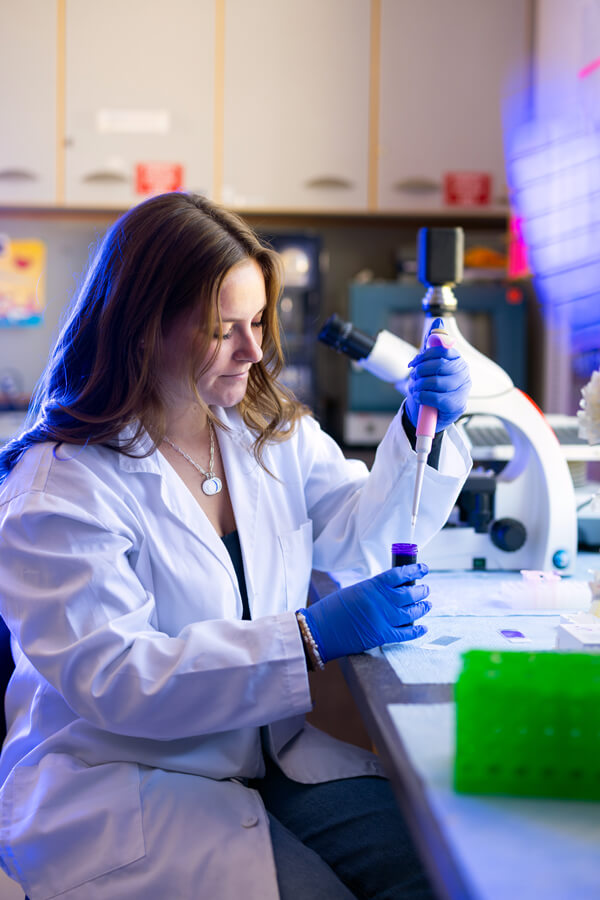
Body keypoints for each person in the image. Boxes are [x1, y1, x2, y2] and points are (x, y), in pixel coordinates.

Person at [0, 192, 471, 900]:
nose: (255, 352)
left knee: (437, 872)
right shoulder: (62, 488)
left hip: (266, 755)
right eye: (225, 330)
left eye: (257, 322)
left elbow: (358, 529)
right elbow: (119, 680)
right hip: (131, 787)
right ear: (143, 327)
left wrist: (422, 424)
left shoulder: (258, 428)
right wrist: (307, 638)